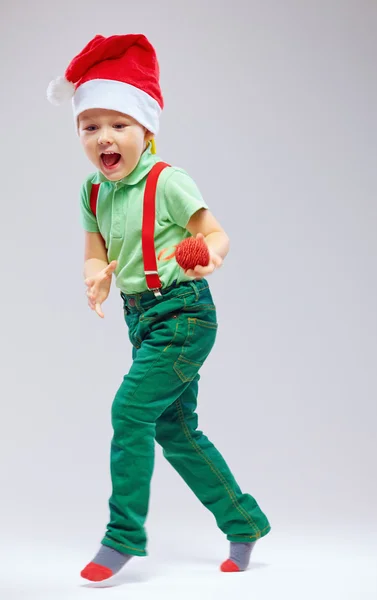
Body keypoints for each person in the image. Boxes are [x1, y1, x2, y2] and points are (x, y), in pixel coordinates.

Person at [47, 33, 271, 582]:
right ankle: (243, 522)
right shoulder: (92, 193)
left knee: (129, 411)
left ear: (145, 130)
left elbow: (215, 234)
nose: (105, 136)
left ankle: (122, 538)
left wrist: (208, 258)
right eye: (90, 125)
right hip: (140, 317)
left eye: (118, 124)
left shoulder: (168, 181)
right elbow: (94, 253)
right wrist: (96, 278)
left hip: (184, 314)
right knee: (176, 429)